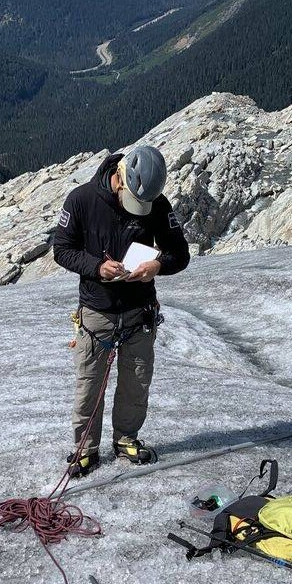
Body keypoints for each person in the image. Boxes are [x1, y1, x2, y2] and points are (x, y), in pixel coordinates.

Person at [52, 144, 190, 477]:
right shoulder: (81, 200)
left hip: (139, 311)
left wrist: (157, 264)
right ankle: (86, 449)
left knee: (136, 380)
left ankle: (126, 438)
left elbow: (180, 253)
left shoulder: (157, 204)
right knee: (90, 382)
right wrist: (96, 267)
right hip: (97, 311)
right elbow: (62, 249)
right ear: (119, 176)